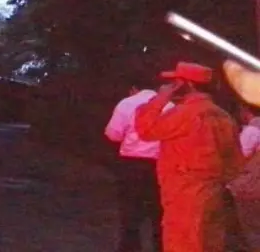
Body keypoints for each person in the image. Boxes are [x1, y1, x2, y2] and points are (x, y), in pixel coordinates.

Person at [135, 62, 245, 252]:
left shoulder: (185, 114)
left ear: (187, 84)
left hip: (184, 196)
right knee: (211, 244)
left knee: (182, 244)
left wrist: (161, 98)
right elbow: (235, 163)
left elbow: (145, 129)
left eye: (175, 82)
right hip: (213, 194)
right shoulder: (224, 116)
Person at [104, 75, 168, 252]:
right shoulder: (169, 106)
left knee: (130, 212)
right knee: (159, 214)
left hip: (132, 164)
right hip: (160, 165)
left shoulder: (127, 103)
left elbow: (113, 133)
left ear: (133, 88)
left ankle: (130, 248)